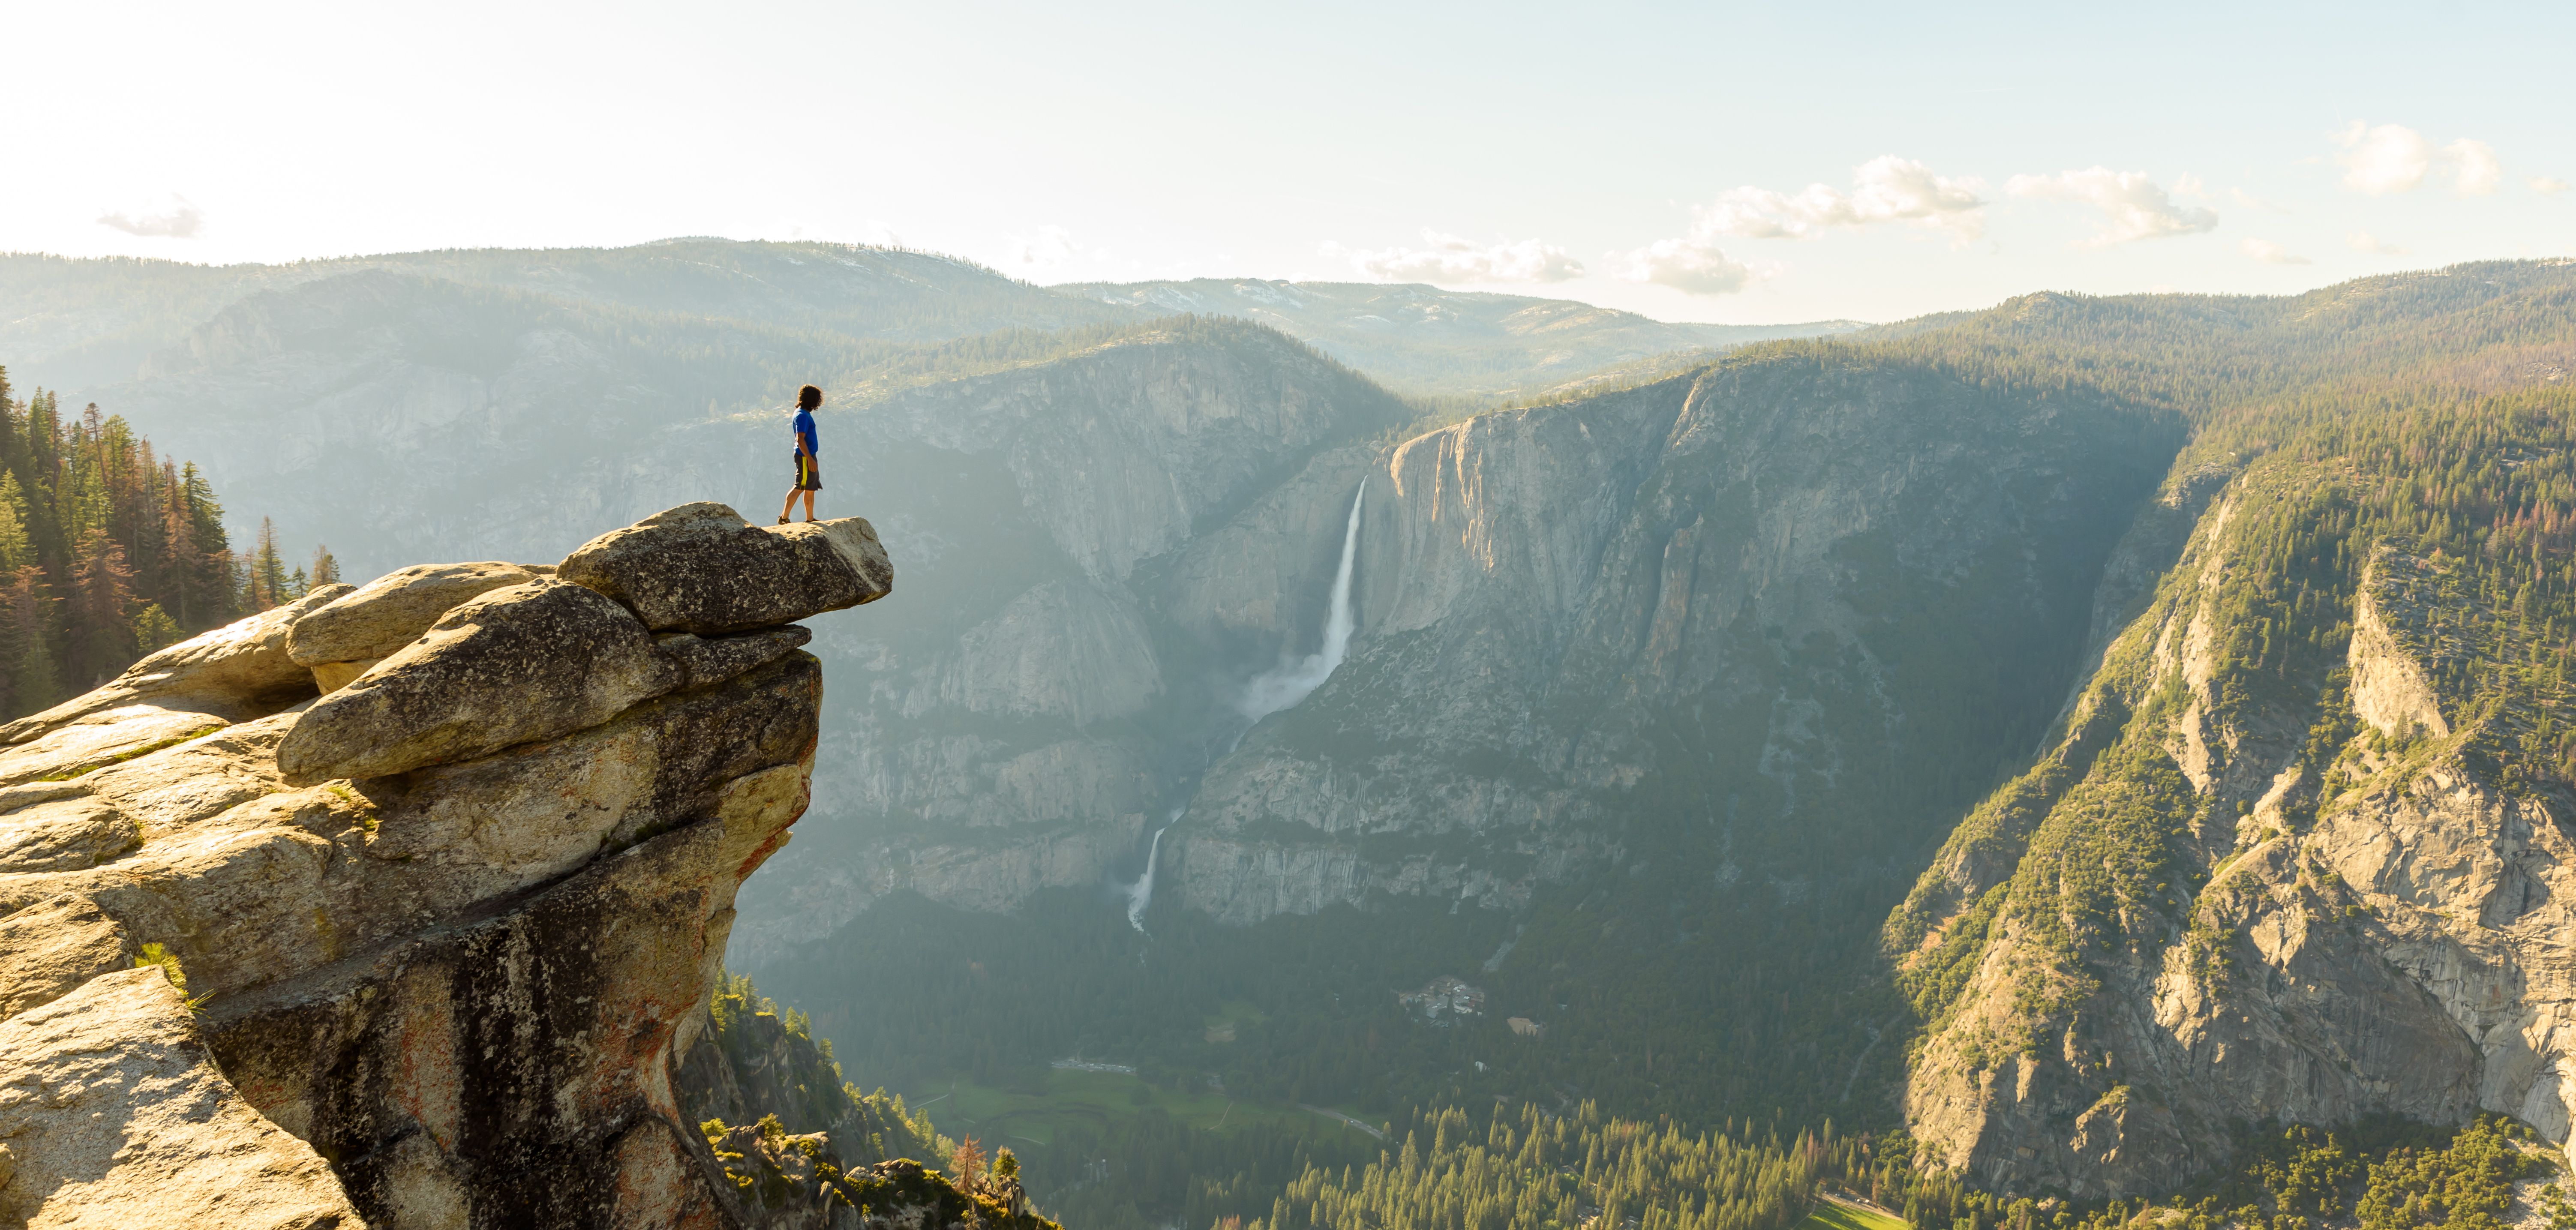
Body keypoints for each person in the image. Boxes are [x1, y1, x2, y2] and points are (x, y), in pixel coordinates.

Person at [779, 385, 823, 524]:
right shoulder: (802, 416)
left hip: (809, 456)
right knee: (800, 486)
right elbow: (800, 439)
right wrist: (810, 459)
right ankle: (784, 517)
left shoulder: (803, 413)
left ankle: (810, 518)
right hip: (805, 457)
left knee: (810, 487)